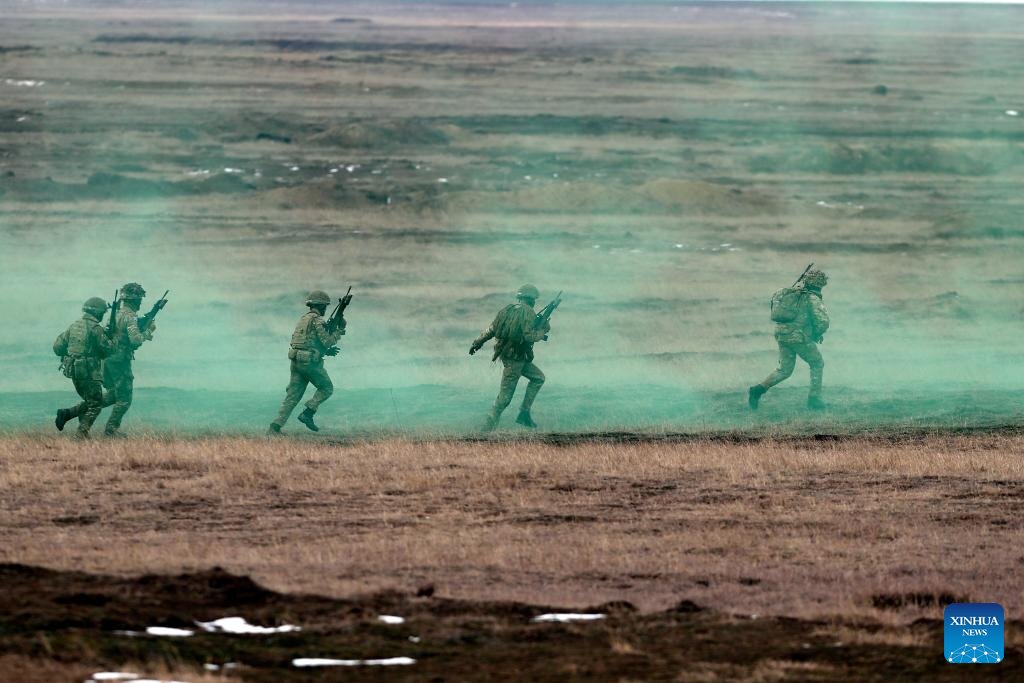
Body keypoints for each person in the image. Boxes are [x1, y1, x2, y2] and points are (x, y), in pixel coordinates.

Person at [470, 284, 551, 430]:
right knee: (505, 397)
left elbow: (491, 330)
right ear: (532, 300)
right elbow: (529, 336)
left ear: (519, 297)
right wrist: (542, 331)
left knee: (538, 378)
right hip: (515, 359)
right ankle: (488, 426)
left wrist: (477, 343)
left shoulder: (506, 310)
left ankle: (524, 413)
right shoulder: (528, 312)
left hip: (514, 357)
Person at [749, 269, 830, 410]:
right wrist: (816, 334)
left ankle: (758, 390)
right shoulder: (812, 298)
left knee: (784, 370)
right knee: (817, 363)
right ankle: (814, 399)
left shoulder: (789, 294)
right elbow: (823, 321)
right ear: (820, 284)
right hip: (799, 337)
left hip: (782, 335)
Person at [270, 290, 344, 434]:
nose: (325, 309)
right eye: (325, 306)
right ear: (321, 306)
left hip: (296, 361)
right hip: (309, 363)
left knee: (292, 397)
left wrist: (324, 352)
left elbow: (306, 342)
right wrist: (339, 331)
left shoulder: (303, 319)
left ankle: (274, 427)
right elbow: (327, 341)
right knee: (326, 388)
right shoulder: (317, 321)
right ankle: (308, 413)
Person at [53, 297, 114, 438]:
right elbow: (107, 350)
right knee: (95, 405)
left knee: (89, 401)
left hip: (73, 370)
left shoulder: (74, 325)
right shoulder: (96, 328)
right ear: (98, 313)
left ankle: (67, 416)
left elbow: (57, 347)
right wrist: (111, 338)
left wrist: (70, 355)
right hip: (89, 372)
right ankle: (80, 435)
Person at [102, 282, 156, 436]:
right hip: (120, 361)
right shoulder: (130, 316)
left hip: (107, 360)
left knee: (112, 395)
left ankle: (72, 412)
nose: (140, 303)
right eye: (139, 300)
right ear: (134, 300)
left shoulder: (116, 314)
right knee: (124, 398)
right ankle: (111, 431)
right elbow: (136, 340)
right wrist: (148, 332)